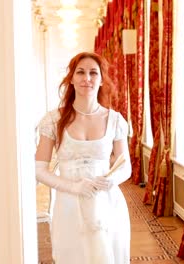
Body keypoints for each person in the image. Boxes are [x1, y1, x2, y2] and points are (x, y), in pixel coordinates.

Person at [35, 51, 132, 264]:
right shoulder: (53, 120)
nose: (86, 78)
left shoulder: (115, 120)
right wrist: (74, 187)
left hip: (107, 202)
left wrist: (111, 180)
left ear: (101, 80)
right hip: (69, 203)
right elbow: (39, 169)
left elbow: (126, 167)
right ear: (71, 78)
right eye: (80, 72)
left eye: (93, 73)